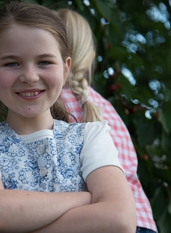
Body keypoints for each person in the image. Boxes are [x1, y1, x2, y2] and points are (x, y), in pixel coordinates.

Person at [0, 2, 137, 233]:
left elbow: (120, 220)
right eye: (12, 63)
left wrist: (9, 227)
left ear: (65, 69)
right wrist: (85, 198)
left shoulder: (91, 135)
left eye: (44, 62)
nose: (29, 76)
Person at [57, 8, 158, 233]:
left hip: (96, 220)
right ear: (91, 57)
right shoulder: (105, 106)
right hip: (141, 220)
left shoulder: (49, 101)